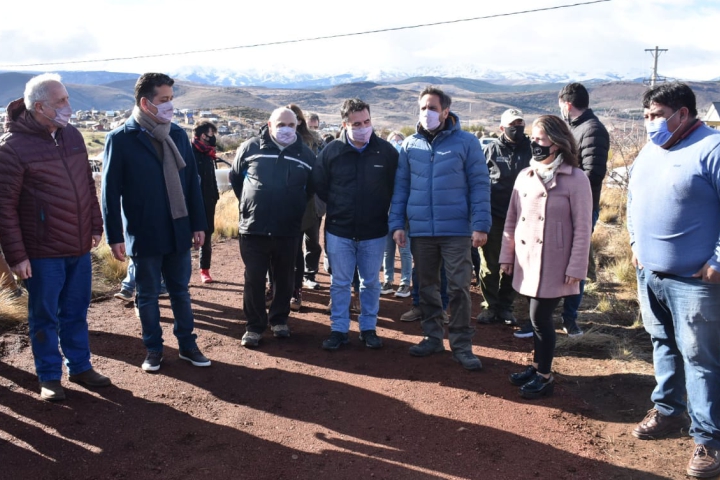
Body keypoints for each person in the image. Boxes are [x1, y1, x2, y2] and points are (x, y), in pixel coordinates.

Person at [628, 82, 720, 479]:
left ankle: (708, 440)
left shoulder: (712, 148)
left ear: (683, 114)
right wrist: (634, 241)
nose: (650, 124)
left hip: (694, 281)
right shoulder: (651, 151)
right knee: (662, 343)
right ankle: (667, 410)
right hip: (649, 273)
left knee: (700, 359)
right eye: (646, 116)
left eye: (657, 116)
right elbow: (633, 200)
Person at [0, 73, 111, 401]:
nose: (68, 106)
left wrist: (95, 225)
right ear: (39, 107)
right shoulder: (12, 148)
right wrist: (17, 256)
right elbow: (4, 208)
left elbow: (87, 187)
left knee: (76, 310)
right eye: (61, 101)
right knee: (44, 316)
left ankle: (80, 366)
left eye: (67, 99)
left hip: (78, 245)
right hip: (41, 252)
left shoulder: (72, 136)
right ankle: (49, 377)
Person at [102, 72, 211, 373]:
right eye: (164, 100)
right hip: (143, 230)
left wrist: (198, 223)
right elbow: (110, 192)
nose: (170, 106)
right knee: (147, 295)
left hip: (178, 229)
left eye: (171, 100)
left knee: (180, 292)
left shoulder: (176, 135)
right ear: (145, 102)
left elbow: (191, 184)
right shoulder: (121, 139)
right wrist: (114, 236)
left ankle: (188, 345)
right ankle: (153, 349)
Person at [389, 86, 490, 371]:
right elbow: (401, 188)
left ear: (446, 111)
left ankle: (461, 346)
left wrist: (480, 225)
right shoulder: (410, 145)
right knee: (427, 286)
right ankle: (432, 337)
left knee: (459, 288)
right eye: (422, 107)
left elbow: (480, 185)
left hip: (457, 230)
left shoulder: (467, 143)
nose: (426, 113)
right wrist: (397, 224)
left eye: (432, 108)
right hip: (421, 231)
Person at [500, 114, 592, 399]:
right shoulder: (525, 175)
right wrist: (507, 256)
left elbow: (583, 227)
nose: (534, 144)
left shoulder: (576, 179)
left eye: (540, 139)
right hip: (527, 261)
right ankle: (538, 366)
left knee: (540, 318)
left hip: (556, 262)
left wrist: (577, 266)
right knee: (534, 315)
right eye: (533, 138)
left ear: (557, 142)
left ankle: (545, 376)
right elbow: (511, 219)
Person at [314, 98, 398, 350]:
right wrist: (340, 209)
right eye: (357, 123)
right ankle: (338, 329)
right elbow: (319, 185)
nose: (363, 127)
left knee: (370, 282)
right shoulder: (331, 152)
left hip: (374, 231)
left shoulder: (386, 152)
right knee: (340, 282)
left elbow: (396, 186)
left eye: (367, 121)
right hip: (340, 230)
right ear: (345, 124)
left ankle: (368, 328)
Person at [229, 107, 315, 348]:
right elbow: (237, 179)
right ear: (269, 124)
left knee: (284, 278)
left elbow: (311, 189)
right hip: (253, 228)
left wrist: (293, 206)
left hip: (287, 229)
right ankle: (254, 326)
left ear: (297, 126)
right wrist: (250, 204)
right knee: (254, 278)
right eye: (280, 124)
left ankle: (279, 320)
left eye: (290, 125)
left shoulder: (305, 155)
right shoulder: (250, 148)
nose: (285, 129)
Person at [557, 83, 610, 336]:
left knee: (576, 261)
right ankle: (551, 312)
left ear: (567, 105)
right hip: (564, 206)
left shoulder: (592, 130)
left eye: (560, 107)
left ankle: (569, 318)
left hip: (581, 209)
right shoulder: (574, 128)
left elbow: (593, 173)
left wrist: (567, 193)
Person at [477, 108, 532, 328]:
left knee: (516, 263)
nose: (517, 127)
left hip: (524, 217)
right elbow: (479, 182)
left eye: (520, 123)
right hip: (495, 215)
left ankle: (506, 306)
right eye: (512, 124)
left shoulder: (532, 149)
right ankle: (490, 306)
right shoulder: (490, 150)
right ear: (502, 127)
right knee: (489, 264)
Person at [381, 131, 412, 298]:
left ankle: (405, 283)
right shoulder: (385, 168)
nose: (396, 143)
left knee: (405, 249)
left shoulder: (407, 169)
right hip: (387, 214)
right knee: (388, 250)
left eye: (399, 141)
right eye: (393, 141)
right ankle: (388, 281)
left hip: (403, 215)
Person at [192, 120, 221, 284]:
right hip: (191, 202)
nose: (213, 138)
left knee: (207, 235)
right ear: (203, 135)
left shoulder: (209, 153)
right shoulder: (188, 152)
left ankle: (205, 270)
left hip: (209, 200)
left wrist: (215, 196)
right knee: (186, 237)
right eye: (212, 134)